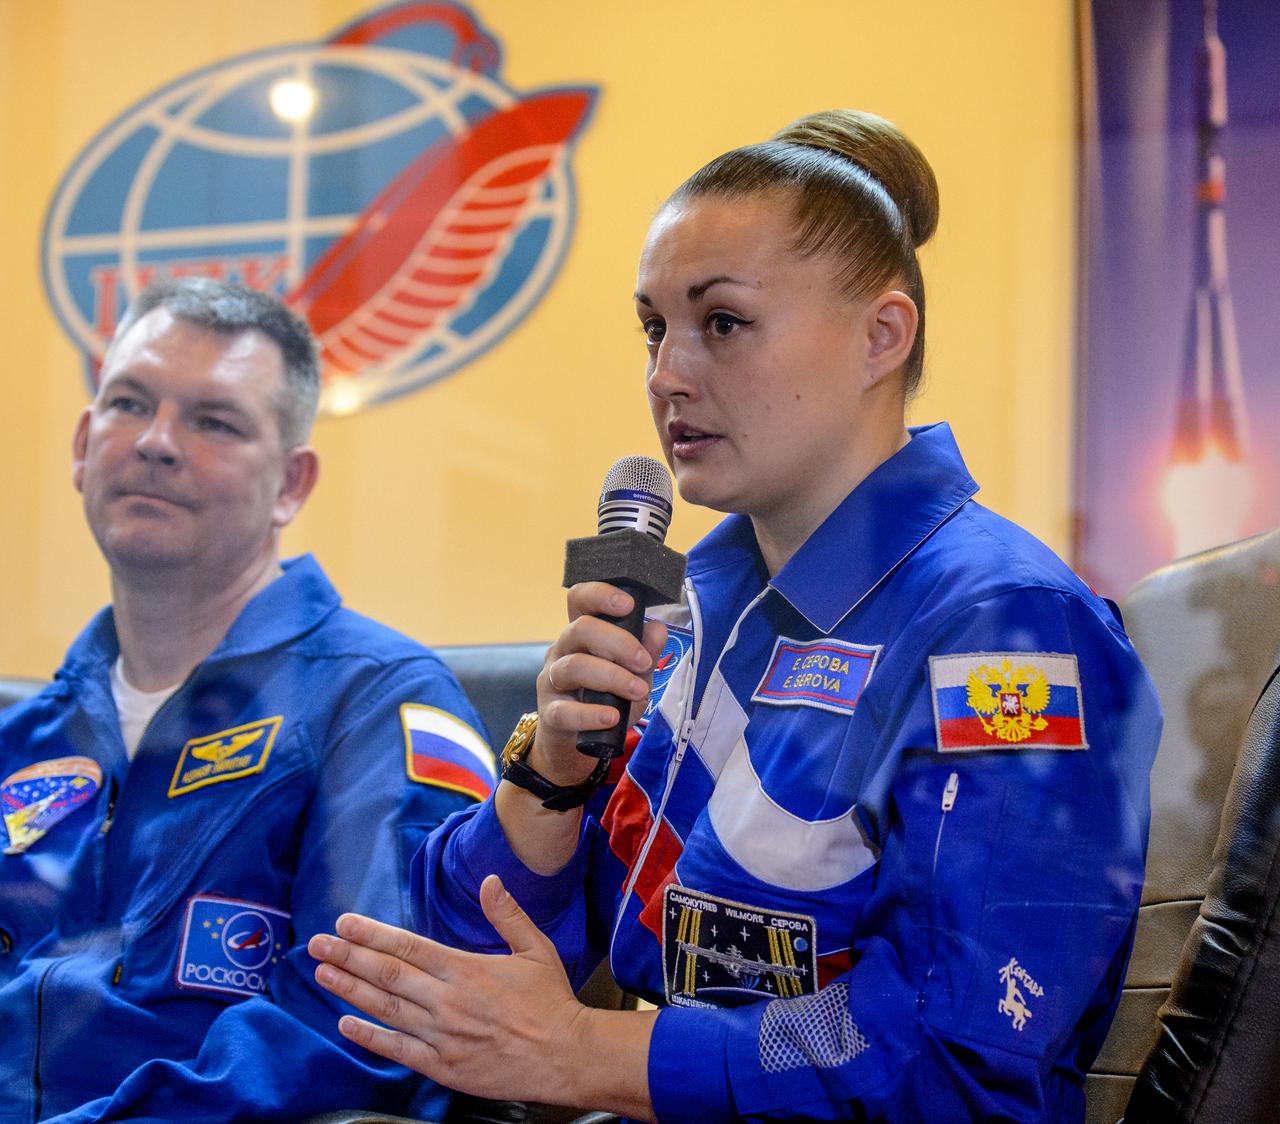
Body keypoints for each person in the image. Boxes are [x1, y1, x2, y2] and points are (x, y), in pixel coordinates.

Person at [308, 110, 1163, 1120]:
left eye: (720, 322)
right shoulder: (693, 611)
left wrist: (600, 1050)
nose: (668, 374)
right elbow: (478, 970)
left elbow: (946, 1049)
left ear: (879, 337)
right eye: (653, 328)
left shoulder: (1001, 629)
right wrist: (548, 779)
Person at [0, 278, 494, 1122]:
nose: (156, 443)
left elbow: (369, 1026)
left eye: (213, 421)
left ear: (291, 484)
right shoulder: (23, 735)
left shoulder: (375, 704)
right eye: (129, 404)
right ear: (83, 444)